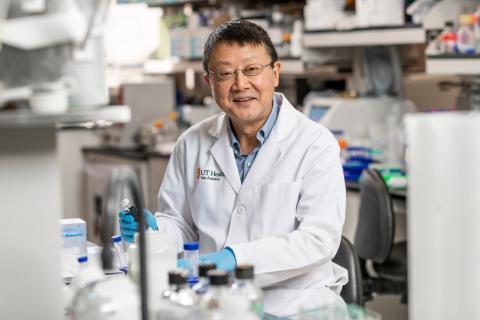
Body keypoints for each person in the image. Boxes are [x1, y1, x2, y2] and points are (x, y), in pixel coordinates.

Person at [119, 20, 347, 316]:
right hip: (214, 300)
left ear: (275, 73)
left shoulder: (315, 144)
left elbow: (318, 240)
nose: (240, 84)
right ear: (209, 83)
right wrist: (155, 232)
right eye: (225, 74)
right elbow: (181, 225)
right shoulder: (191, 143)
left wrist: (234, 258)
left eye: (252, 70)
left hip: (294, 304)